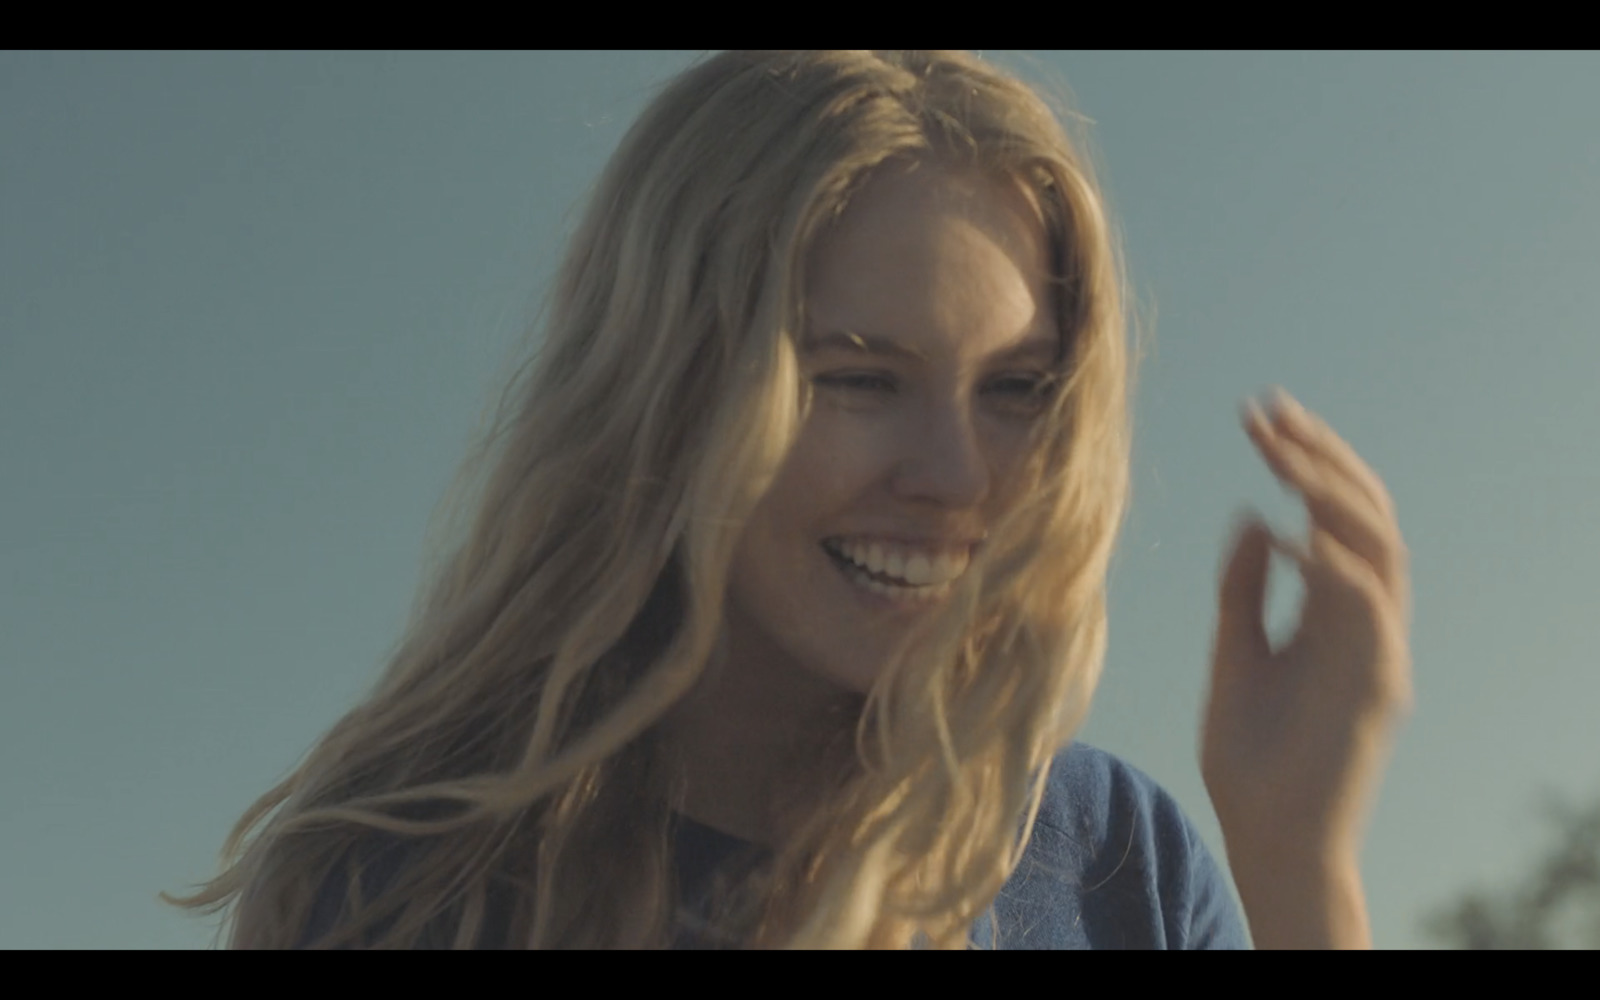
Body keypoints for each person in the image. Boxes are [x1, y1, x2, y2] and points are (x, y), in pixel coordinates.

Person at [161, 50, 1412, 949]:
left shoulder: (1108, 858)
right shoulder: (412, 889)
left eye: (1017, 389)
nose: (956, 476)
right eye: (859, 379)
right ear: (667, 391)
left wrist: (1298, 866)